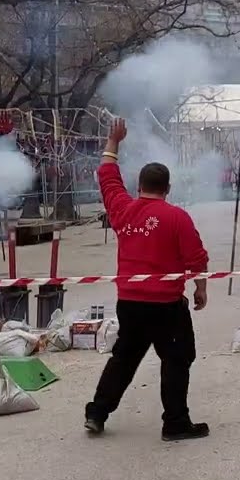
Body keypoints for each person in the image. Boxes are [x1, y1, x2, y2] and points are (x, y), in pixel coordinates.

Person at [84, 117, 211, 441]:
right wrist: (200, 288)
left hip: (129, 302)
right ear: (167, 189)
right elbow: (196, 257)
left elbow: (107, 178)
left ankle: (97, 413)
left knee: (124, 359)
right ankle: (175, 423)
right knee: (177, 359)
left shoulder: (122, 210)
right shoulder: (177, 217)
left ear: (139, 186)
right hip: (166, 305)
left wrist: (114, 141)